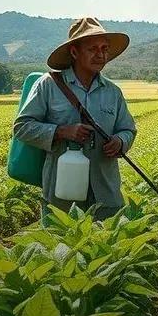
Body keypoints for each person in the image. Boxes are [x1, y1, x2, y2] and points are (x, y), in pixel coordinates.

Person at [13, 17, 136, 223]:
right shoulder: (48, 85)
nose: (101, 54)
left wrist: (120, 141)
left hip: (106, 193)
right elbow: (22, 127)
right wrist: (61, 131)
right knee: (62, 249)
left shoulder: (113, 92)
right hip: (62, 196)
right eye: (93, 49)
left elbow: (128, 129)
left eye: (104, 48)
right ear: (74, 52)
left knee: (107, 250)